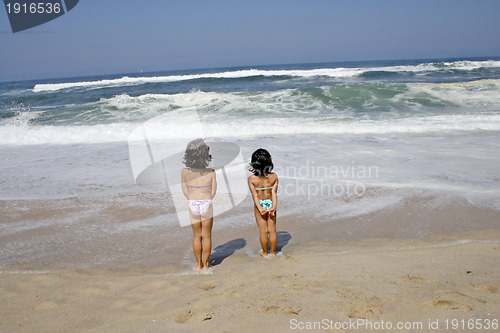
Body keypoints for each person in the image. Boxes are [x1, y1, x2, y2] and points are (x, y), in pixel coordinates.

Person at [181, 139, 217, 271]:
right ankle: (206, 265)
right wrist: (207, 199)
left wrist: (191, 198)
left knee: (197, 236)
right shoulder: (211, 172)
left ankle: (198, 264)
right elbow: (213, 191)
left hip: (193, 203)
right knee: (206, 236)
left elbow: (184, 189)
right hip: (206, 202)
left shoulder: (185, 172)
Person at [248, 148, 278, 258]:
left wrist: (260, 208)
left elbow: (254, 195)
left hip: (260, 204)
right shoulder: (274, 177)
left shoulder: (252, 179)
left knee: (263, 231)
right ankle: (273, 253)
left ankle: (265, 253)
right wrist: (273, 207)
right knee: (272, 230)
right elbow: (274, 193)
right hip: (270, 202)